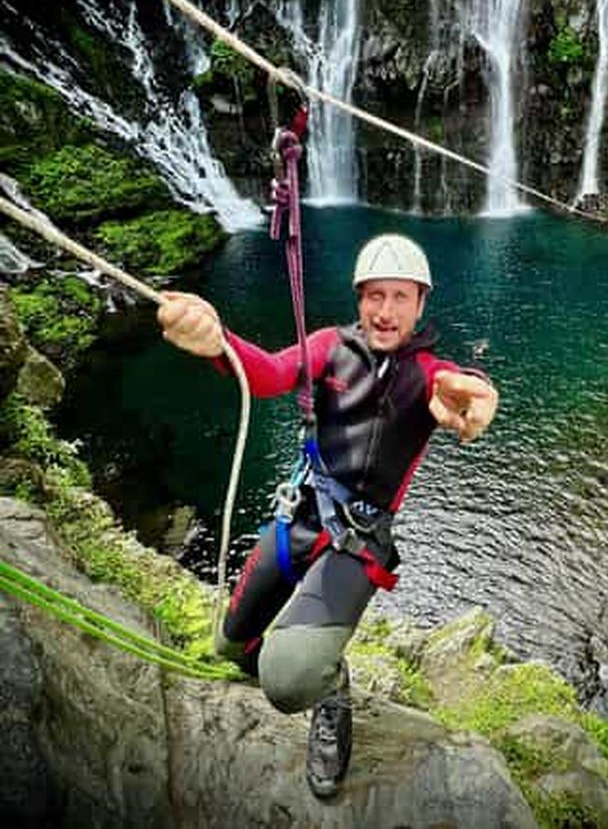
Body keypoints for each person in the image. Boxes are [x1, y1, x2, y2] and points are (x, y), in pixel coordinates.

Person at [157, 233, 499, 799]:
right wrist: (220, 342)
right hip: (299, 515)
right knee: (229, 648)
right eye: (374, 296)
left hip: (356, 543)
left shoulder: (428, 374)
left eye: (400, 297)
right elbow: (269, 372)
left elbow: (455, 386)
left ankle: (329, 686)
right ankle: (302, 657)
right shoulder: (328, 347)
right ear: (359, 299)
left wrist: (476, 393)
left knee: (288, 681)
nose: (385, 311)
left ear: (421, 304)